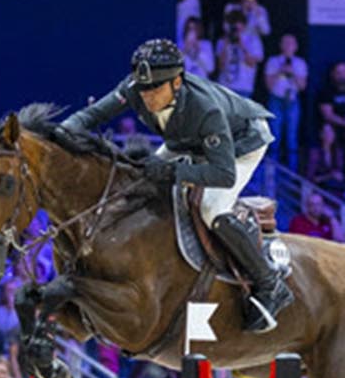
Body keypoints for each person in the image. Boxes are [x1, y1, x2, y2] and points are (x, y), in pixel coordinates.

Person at [62, 38, 291, 333]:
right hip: (187, 139)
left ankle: (269, 283)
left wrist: (173, 171)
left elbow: (223, 174)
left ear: (177, 82)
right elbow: (90, 116)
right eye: (143, 89)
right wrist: (57, 133)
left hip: (242, 143)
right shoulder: (135, 88)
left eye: (156, 89)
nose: (148, 97)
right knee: (139, 183)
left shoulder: (204, 108)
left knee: (211, 209)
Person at [262, 34, 307, 171]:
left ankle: (292, 174)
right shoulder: (273, 61)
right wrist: (279, 71)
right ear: (280, 45)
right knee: (274, 139)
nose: (288, 46)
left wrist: (292, 73)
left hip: (292, 101)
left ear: (296, 46)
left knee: (291, 140)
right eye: (285, 43)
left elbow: (302, 86)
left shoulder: (300, 63)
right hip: (276, 100)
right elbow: (269, 86)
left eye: (291, 43)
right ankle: (272, 176)